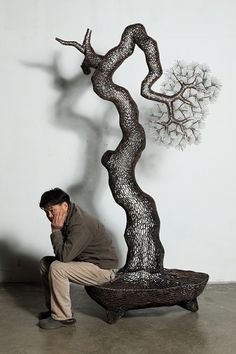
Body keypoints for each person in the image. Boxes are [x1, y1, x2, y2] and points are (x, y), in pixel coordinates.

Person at [38, 187, 118, 329]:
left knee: (57, 268)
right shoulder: (68, 216)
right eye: (46, 212)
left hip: (102, 270)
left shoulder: (80, 222)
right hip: (85, 263)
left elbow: (63, 257)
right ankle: (54, 310)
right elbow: (65, 253)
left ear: (65, 205)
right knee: (45, 262)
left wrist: (56, 231)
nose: (50, 215)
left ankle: (63, 317)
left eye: (52, 210)